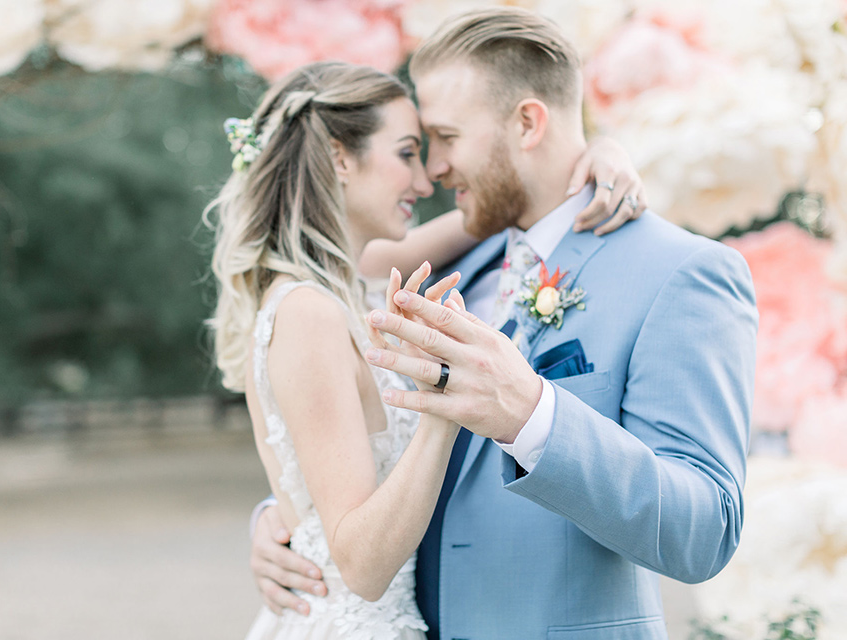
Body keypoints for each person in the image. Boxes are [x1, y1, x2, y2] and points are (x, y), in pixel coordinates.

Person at [250, 8, 758, 640]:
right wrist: (284, 513)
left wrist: (533, 415)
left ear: (526, 123)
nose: (433, 168)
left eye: (446, 137)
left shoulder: (682, 274)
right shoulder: (445, 260)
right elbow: (352, 432)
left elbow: (705, 530)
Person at [211, 60, 644, 637]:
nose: (425, 180)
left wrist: (597, 156)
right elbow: (360, 566)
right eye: (408, 152)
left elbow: (488, 217)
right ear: (340, 157)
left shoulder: (355, 277)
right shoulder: (308, 311)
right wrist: (443, 403)